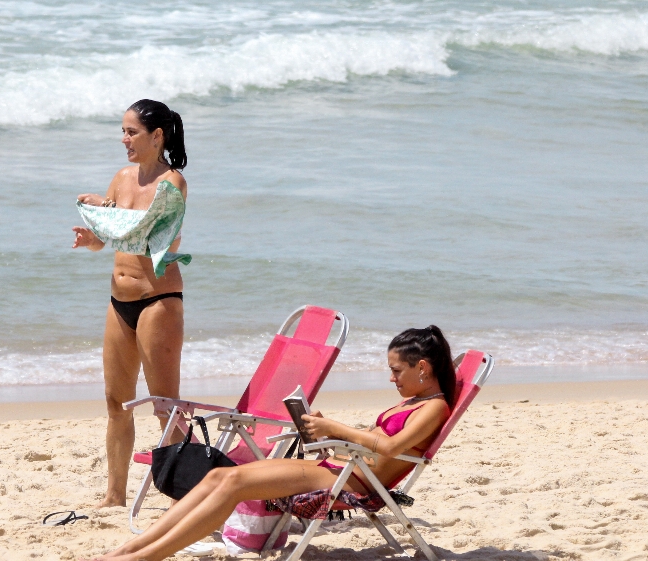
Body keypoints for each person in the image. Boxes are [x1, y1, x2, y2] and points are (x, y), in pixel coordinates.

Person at [90, 326, 456, 561]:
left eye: (397, 370)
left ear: (422, 368)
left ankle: (143, 557)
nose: (391, 377)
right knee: (220, 477)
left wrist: (337, 428)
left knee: (233, 483)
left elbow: (392, 449)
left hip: (351, 483)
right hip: (340, 468)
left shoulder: (434, 407)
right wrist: (328, 435)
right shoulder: (410, 402)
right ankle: (131, 549)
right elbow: (379, 443)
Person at [72, 99, 190, 508]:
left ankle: (180, 497)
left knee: (165, 407)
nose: (124, 139)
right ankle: (114, 495)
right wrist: (93, 236)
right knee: (116, 402)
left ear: (157, 136)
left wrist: (105, 214)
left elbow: (147, 236)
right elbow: (109, 239)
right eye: (122, 131)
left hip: (157, 300)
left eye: (132, 132)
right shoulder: (121, 178)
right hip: (119, 300)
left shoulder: (173, 184)